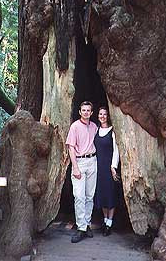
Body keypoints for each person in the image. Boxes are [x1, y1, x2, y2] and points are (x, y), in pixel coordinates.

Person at [66, 101, 98, 243]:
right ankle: (81, 228)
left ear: (91, 113)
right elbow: (71, 148)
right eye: (83, 110)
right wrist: (75, 167)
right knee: (79, 196)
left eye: (88, 110)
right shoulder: (74, 127)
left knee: (89, 196)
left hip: (93, 161)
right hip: (79, 162)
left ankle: (87, 224)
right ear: (80, 112)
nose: (86, 112)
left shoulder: (94, 127)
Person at [94, 107, 120, 236]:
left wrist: (113, 166)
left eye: (105, 114)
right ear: (98, 115)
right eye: (100, 114)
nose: (102, 116)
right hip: (98, 168)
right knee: (102, 194)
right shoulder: (96, 130)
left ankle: (109, 222)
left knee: (110, 194)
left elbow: (116, 150)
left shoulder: (113, 131)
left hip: (109, 167)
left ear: (108, 116)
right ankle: (105, 220)